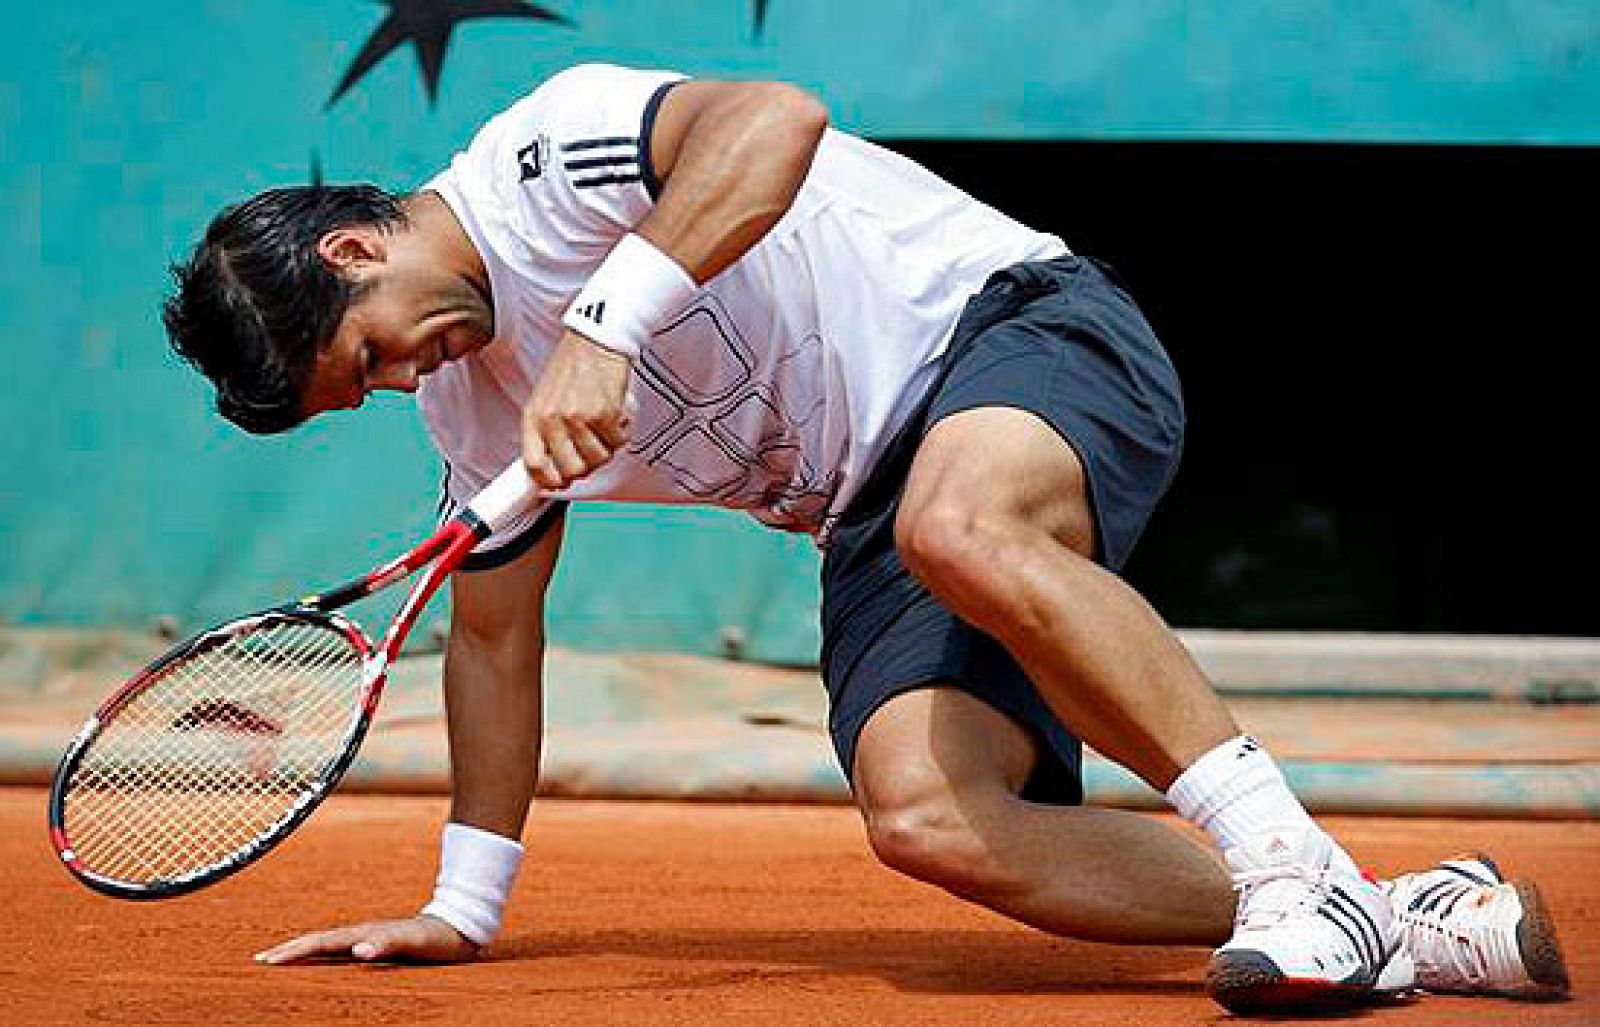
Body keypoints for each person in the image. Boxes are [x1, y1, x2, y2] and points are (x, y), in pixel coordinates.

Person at [162, 64, 1568, 1013]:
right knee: (927, 818)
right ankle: (1384, 914)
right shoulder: (476, 416)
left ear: (352, 254)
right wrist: (463, 909)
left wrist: (602, 323)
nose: (404, 383)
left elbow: (776, 119)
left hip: (1011, 326)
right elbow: (493, 637)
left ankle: (1280, 866)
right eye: (373, 394)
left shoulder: (544, 153)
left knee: (963, 523)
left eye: (369, 360)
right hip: (871, 510)